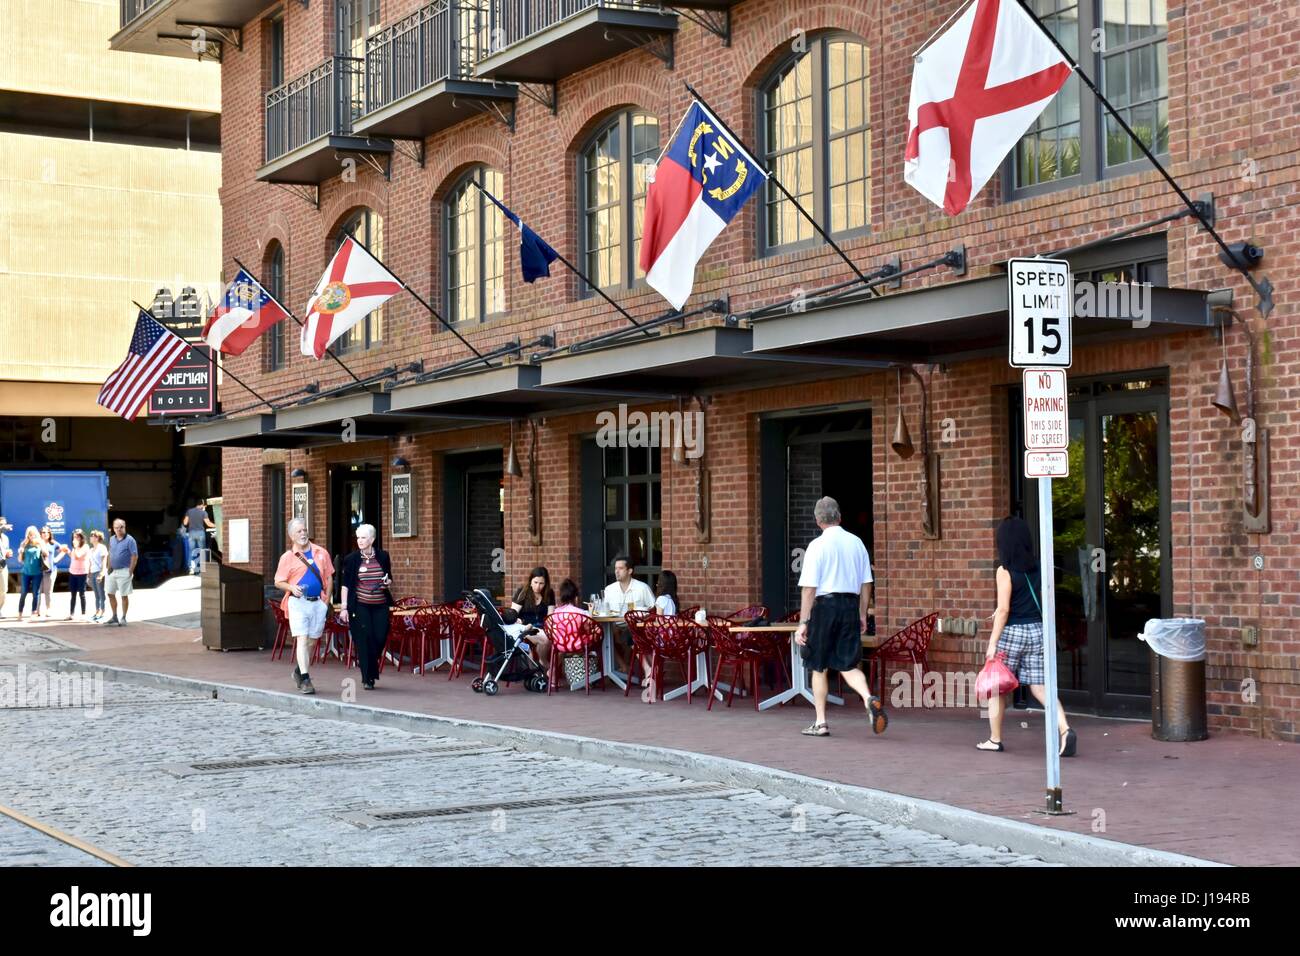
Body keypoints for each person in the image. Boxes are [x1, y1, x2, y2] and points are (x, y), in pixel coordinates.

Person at [978, 516, 1076, 756]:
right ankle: (1065, 729)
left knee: (996, 688)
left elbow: (1004, 610)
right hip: (1037, 631)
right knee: (1040, 687)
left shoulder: (1005, 570)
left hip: (1012, 633)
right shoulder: (1038, 567)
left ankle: (995, 739)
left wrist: (992, 643)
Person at [794, 496, 888, 738]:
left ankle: (821, 722)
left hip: (825, 608)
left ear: (817, 521)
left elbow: (809, 589)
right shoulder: (856, 543)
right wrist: (862, 613)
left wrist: (803, 623)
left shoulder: (816, 546)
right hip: (849, 606)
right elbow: (867, 583)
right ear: (840, 517)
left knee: (818, 666)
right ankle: (868, 698)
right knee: (847, 663)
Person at [274, 518, 334, 695]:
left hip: (318, 602)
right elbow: (278, 581)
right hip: (297, 603)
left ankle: (299, 671)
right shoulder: (287, 557)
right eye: (299, 531)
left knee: (313, 640)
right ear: (292, 536)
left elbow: (330, 578)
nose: (303, 534)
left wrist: (326, 600)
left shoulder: (321, 552)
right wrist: (291, 587)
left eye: (304, 530)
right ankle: (306, 679)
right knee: (302, 638)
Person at [339, 523, 391, 691]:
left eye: (363, 537)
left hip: (380, 604)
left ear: (372, 539)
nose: (360, 540)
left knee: (380, 637)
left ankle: (368, 664)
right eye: (358, 537)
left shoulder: (383, 556)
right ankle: (367, 678)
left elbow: (388, 578)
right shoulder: (351, 559)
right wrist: (344, 607)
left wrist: (387, 582)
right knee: (365, 638)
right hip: (360, 605)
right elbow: (346, 585)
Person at [603, 555, 655, 671]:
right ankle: (623, 665)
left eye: (620, 568)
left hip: (638, 626)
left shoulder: (642, 588)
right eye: (616, 568)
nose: (617, 571)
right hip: (615, 625)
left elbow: (653, 610)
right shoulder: (609, 590)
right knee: (602, 636)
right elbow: (605, 611)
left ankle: (635, 668)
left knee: (631, 633)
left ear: (630, 571)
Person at [510, 566, 555, 670]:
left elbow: (550, 616)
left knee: (549, 638)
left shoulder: (549, 593)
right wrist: (518, 620)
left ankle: (542, 662)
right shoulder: (523, 592)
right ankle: (543, 665)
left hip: (542, 627)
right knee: (545, 639)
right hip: (525, 627)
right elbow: (513, 614)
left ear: (546, 583)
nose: (538, 586)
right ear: (530, 581)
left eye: (541, 583)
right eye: (535, 582)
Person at [102, 518, 138, 627]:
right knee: (110, 593)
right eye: (116, 528)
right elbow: (109, 553)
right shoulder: (112, 539)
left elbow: (134, 556)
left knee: (124, 595)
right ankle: (114, 616)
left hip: (124, 571)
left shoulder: (130, 540)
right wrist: (108, 567)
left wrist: (130, 571)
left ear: (125, 527)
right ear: (113, 528)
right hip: (112, 571)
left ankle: (123, 617)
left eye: (121, 527)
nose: (119, 529)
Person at [38, 527, 68, 619]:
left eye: (47, 532)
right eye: (43, 532)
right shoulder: (37, 543)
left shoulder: (53, 543)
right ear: (40, 533)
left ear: (50, 534)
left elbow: (64, 550)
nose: (45, 534)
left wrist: (56, 559)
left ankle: (48, 609)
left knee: (48, 591)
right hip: (38, 570)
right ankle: (36, 610)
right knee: (37, 591)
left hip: (50, 571)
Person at [182, 499, 215, 574]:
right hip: (200, 533)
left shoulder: (189, 511)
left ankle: (191, 569)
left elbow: (185, 522)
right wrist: (217, 525)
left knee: (191, 551)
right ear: (202, 505)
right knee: (202, 551)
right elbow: (208, 524)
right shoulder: (203, 512)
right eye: (204, 506)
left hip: (191, 533)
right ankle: (202, 568)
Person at [17, 526, 43, 620]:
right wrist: (20, 552)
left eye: (33, 534)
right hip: (26, 572)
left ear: (36, 534)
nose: (31, 536)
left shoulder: (40, 543)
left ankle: (33, 612)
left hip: (37, 572)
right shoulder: (24, 544)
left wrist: (44, 550)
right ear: (27, 535)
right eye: (29, 534)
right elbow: (20, 560)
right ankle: (20, 613)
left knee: (36, 593)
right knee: (24, 592)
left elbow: (46, 555)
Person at [66, 530, 90, 619]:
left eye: (77, 537)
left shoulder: (85, 547)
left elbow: (78, 556)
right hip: (73, 572)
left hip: (82, 573)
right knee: (73, 594)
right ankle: (71, 614)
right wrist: (68, 551)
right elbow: (73, 557)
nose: (75, 539)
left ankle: (83, 614)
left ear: (82, 537)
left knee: (82, 594)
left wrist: (75, 547)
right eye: (74, 537)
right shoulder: (74, 548)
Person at [88, 530, 109, 622]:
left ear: (97, 538)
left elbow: (104, 562)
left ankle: (102, 612)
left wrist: (101, 574)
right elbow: (90, 563)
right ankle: (97, 611)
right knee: (96, 594)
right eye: (91, 535)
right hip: (92, 572)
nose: (91, 537)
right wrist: (88, 575)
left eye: (92, 535)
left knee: (101, 593)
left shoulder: (102, 548)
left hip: (99, 572)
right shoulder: (91, 549)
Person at [0, 516, 12, 619]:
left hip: (2, 565)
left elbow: (5, 551)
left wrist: (8, 554)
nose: (3, 526)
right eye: (1, 524)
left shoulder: (5, 538)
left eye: (4, 524)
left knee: (4, 590)